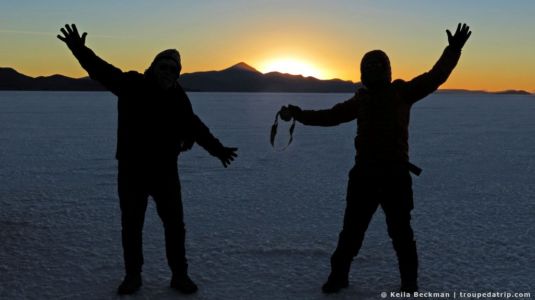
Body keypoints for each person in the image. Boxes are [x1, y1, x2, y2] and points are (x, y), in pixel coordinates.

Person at [279, 23, 471, 293]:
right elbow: (330, 117)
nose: (371, 73)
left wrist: (452, 50)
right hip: (365, 176)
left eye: (375, 68)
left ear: (386, 71)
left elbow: (435, 76)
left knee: (401, 233)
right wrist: (297, 113)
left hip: (394, 176)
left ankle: (409, 282)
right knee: (352, 232)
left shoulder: (402, 92)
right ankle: (339, 276)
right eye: (368, 69)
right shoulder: (362, 100)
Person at [57, 24, 238, 295]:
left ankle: (179, 275)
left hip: (165, 172)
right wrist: (79, 49)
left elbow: (194, 126)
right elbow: (101, 71)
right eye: (163, 67)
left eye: (173, 69)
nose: (167, 72)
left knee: (175, 226)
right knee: (132, 225)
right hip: (132, 170)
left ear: (178, 74)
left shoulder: (178, 98)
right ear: (153, 67)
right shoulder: (132, 85)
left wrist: (218, 150)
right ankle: (133, 276)